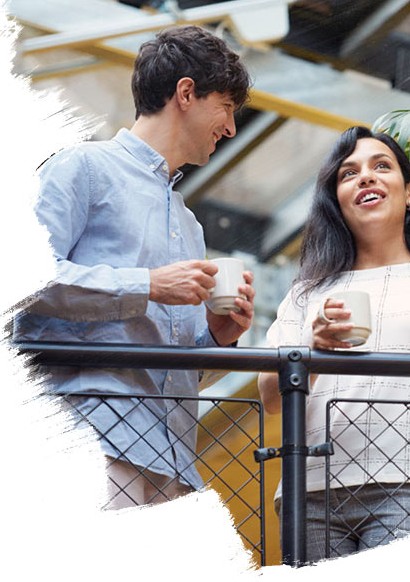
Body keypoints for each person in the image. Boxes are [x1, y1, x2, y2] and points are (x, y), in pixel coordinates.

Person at [13, 25, 256, 509]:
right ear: (186, 93)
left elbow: (172, 361)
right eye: (226, 107)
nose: (230, 128)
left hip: (173, 455)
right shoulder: (81, 168)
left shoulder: (188, 225)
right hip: (88, 432)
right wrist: (147, 285)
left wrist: (218, 334)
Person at [257, 126, 410, 561]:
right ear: (336, 200)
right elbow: (269, 398)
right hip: (310, 489)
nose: (366, 178)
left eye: (381, 167)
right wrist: (312, 351)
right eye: (348, 173)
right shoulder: (304, 293)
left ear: (409, 192)